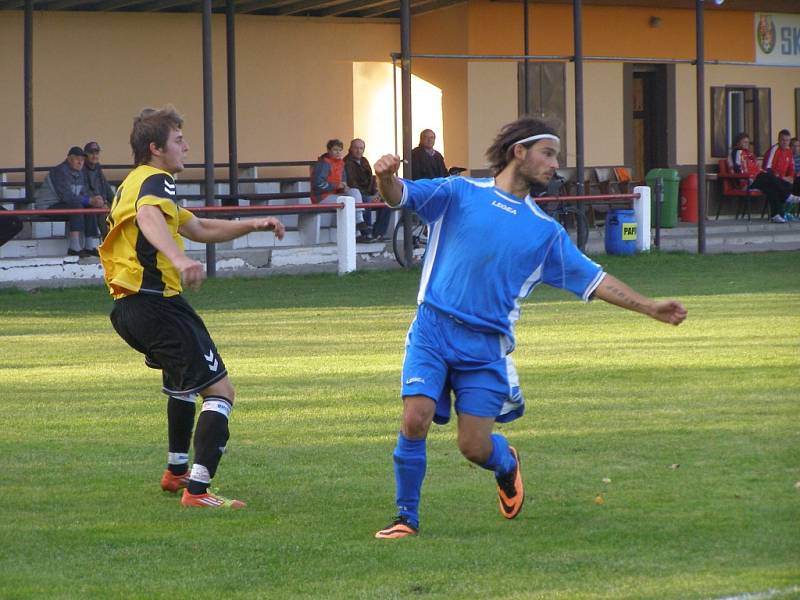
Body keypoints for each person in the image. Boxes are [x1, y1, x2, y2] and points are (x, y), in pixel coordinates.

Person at [371, 116, 688, 539]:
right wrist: (384, 176)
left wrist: (648, 306)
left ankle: (506, 463)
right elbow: (399, 196)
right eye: (548, 154)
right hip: (432, 329)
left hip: (484, 349)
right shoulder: (458, 192)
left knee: (474, 447)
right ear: (518, 152)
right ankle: (405, 518)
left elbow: (596, 281)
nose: (555, 165)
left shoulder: (545, 233)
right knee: (415, 418)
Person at [98, 106, 285, 509]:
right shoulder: (155, 182)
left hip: (130, 310)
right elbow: (149, 219)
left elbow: (198, 227)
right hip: (157, 305)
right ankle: (197, 492)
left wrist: (253, 224)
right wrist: (180, 261)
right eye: (178, 139)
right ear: (156, 148)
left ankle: (177, 471)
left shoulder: (133, 183)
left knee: (184, 384)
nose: (187, 146)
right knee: (220, 390)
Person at [35, 146, 105, 257]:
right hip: (48, 206)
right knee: (76, 205)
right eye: (77, 158)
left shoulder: (81, 172)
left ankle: (89, 246)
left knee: (89, 206)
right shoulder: (59, 171)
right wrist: (89, 200)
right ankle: (74, 247)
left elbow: (84, 193)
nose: (80, 162)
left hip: (65, 204)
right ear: (69, 159)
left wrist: (96, 199)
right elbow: (67, 197)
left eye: (82, 159)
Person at [730, 131, 799, 223]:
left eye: (748, 142)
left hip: (757, 178)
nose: (747, 144)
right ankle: (787, 196)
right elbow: (739, 167)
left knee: (772, 188)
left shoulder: (749, 154)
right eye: (744, 142)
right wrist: (747, 178)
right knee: (771, 177)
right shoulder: (738, 152)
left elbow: (756, 168)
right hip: (748, 180)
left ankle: (776, 215)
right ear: (738, 143)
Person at [310, 138, 369, 242]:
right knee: (348, 202)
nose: (338, 153)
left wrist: (345, 187)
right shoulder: (323, 164)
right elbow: (318, 184)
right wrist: (336, 186)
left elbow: (343, 181)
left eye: (340, 150)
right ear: (329, 151)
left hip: (336, 194)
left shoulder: (341, 163)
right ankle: (357, 233)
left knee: (354, 192)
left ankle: (360, 221)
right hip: (322, 197)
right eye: (335, 150)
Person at [345, 138, 390, 241]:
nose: (358, 151)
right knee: (365, 200)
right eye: (356, 148)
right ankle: (366, 232)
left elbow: (371, 179)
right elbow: (352, 183)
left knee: (388, 201)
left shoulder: (364, 161)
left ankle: (379, 233)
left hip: (369, 193)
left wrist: (376, 194)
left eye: (361, 148)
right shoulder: (347, 162)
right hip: (357, 194)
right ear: (350, 149)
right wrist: (370, 197)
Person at [83, 141, 115, 206]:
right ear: (85, 155)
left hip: (101, 203)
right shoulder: (81, 169)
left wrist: (116, 201)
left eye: (97, 153)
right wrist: (96, 201)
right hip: (88, 205)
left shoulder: (98, 168)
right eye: (91, 153)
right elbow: (83, 192)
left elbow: (107, 188)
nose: (94, 156)